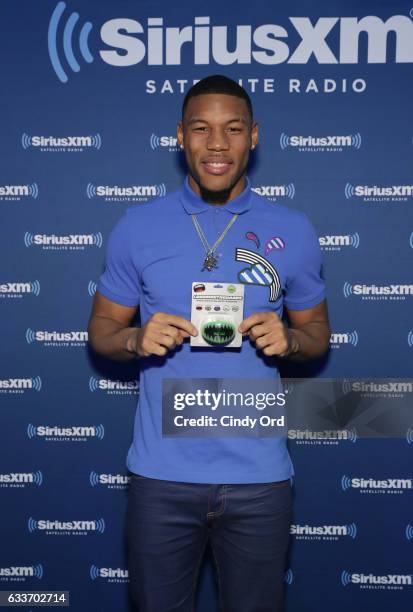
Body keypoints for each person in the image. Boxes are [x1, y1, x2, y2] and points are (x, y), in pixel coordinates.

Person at [88, 75, 330, 612]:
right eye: (201, 129)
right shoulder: (137, 226)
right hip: (161, 479)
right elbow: (101, 331)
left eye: (232, 129)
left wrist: (290, 339)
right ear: (180, 136)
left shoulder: (294, 229)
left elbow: (318, 337)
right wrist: (133, 337)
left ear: (254, 137)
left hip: (260, 480)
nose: (216, 144)